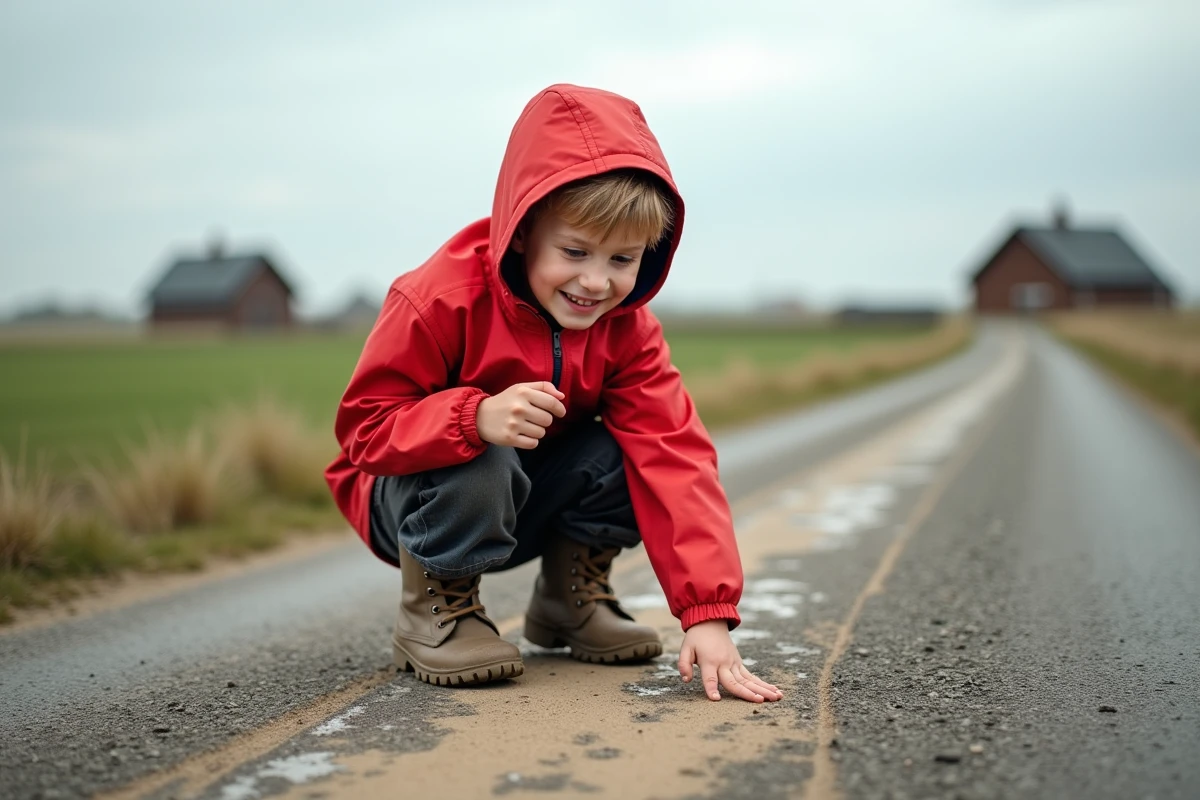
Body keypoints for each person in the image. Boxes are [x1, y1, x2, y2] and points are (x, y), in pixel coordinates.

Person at [325, 84, 782, 704]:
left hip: (528, 496)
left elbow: (674, 454)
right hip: (410, 502)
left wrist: (707, 612)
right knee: (483, 452)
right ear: (522, 231)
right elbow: (363, 432)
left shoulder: (629, 330)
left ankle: (568, 601)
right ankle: (437, 609)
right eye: (575, 251)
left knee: (631, 449)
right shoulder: (437, 299)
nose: (596, 282)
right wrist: (473, 415)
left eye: (623, 258)